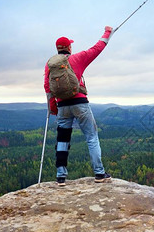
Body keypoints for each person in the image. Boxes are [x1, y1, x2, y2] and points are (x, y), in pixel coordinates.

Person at [44, 26, 113, 185]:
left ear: (57, 49)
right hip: (80, 103)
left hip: (62, 106)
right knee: (91, 137)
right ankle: (99, 173)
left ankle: (61, 176)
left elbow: (48, 88)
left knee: (62, 140)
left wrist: (53, 107)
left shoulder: (50, 66)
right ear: (69, 47)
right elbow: (98, 47)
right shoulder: (78, 58)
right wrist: (108, 32)